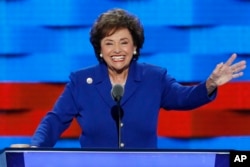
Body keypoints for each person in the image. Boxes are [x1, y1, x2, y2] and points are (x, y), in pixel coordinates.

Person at [31, 8, 247, 149]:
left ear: (135, 47)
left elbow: (183, 98)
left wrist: (209, 84)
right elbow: (55, 120)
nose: (117, 50)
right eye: (109, 43)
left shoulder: (154, 78)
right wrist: (35, 149)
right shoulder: (81, 82)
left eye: (124, 42)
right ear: (100, 50)